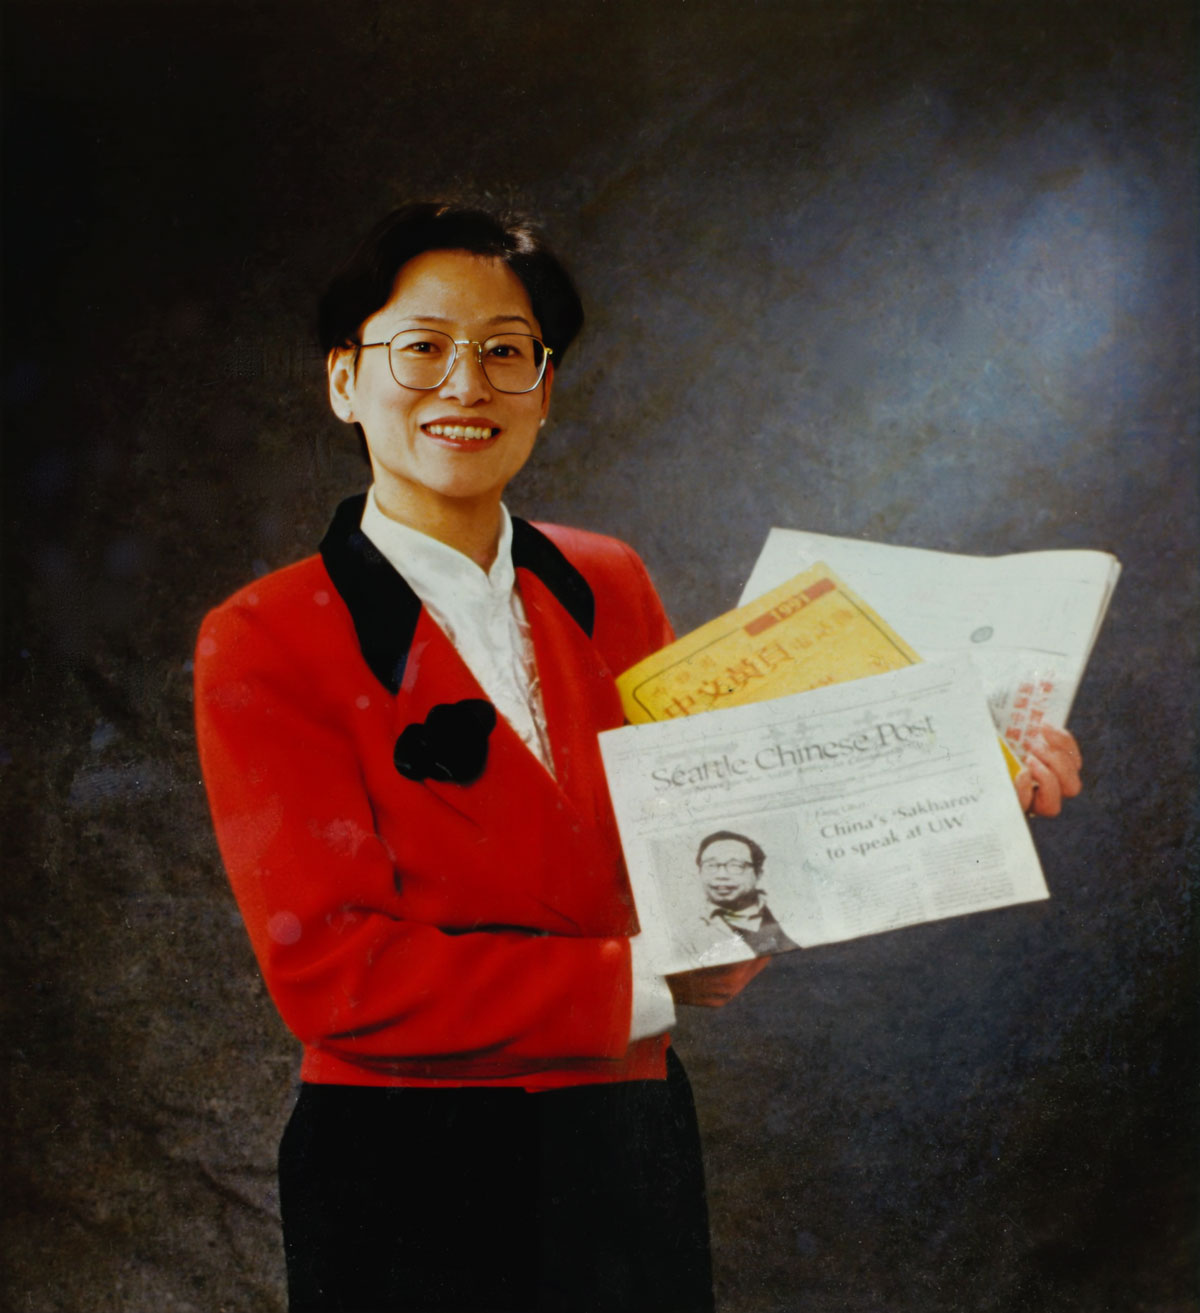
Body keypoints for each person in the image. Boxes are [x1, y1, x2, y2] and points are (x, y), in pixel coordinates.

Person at [194, 201, 1085, 1312]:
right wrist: (641, 978)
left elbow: (721, 858)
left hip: (626, 1139)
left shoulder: (610, 580)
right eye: (421, 348)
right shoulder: (267, 633)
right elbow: (334, 975)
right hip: (407, 1162)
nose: (465, 385)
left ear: (545, 388)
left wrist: (969, 785)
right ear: (344, 379)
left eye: (506, 352)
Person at [694, 831, 798, 956]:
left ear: (758, 874)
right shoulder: (690, 931)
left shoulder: (792, 909)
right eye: (711, 866)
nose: (721, 875)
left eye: (736, 866)